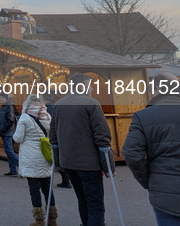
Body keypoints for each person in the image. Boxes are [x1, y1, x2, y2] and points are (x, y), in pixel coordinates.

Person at [123, 73, 180, 225]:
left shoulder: (143, 117)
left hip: (165, 196)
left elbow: (131, 153)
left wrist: (148, 181)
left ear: (158, 88)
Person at [49, 73, 115, 226]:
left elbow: (53, 137)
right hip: (88, 164)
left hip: (69, 162)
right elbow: (103, 136)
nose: (91, 88)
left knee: (82, 199)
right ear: (80, 86)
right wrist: (108, 166)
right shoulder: (91, 103)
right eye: (89, 85)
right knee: (95, 203)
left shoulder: (59, 105)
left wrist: (58, 161)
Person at [14, 95, 59, 226]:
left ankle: (39, 220)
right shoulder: (47, 116)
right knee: (47, 187)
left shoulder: (25, 117)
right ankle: (52, 219)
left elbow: (18, 138)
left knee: (34, 188)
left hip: (31, 157)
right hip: (45, 155)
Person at [44, 93, 70, 189]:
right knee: (59, 158)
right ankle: (65, 180)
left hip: (55, 135)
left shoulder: (49, 109)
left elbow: (52, 123)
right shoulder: (55, 107)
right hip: (59, 135)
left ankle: (66, 180)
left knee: (57, 159)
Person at [0, 93, 19, 176]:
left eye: (2, 98)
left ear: (6, 98)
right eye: (0, 98)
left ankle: (21, 166)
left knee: (9, 151)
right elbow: (5, 118)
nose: (0, 99)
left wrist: (4, 129)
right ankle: (12, 170)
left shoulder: (9, 106)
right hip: (6, 132)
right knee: (9, 151)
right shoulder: (4, 106)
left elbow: (10, 119)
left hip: (8, 132)